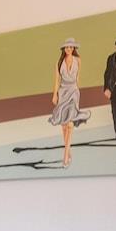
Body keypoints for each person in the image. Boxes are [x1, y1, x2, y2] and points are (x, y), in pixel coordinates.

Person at [47, 37, 88, 166]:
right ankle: (68, 150)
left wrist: (77, 91)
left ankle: (65, 156)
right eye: (67, 47)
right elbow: (56, 80)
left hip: (73, 92)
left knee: (70, 125)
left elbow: (78, 78)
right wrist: (55, 95)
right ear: (64, 49)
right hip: (62, 93)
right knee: (64, 125)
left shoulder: (78, 60)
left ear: (74, 48)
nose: (69, 49)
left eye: (71, 47)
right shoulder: (59, 63)